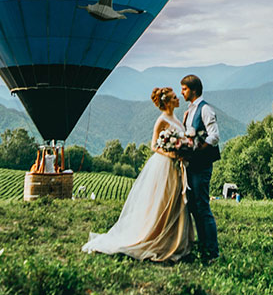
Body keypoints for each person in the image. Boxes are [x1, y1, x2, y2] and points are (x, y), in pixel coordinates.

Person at [82, 87, 193, 262]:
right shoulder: (161, 120)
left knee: (174, 201)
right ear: (167, 102)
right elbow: (154, 146)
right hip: (164, 165)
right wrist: (170, 152)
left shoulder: (176, 118)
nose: (178, 98)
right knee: (162, 201)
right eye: (174, 97)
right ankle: (155, 237)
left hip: (176, 167)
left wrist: (183, 148)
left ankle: (173, 239)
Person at [181, 74, 220, 263]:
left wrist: (197, 151)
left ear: (193, 90)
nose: (182, 92)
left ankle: (212, 251)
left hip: (201, 166)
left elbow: (214, 136)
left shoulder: (205, 110)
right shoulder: (189, 111)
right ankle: (203, 245)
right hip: (190, 166)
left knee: (203, 206)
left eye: (184, 89)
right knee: (194, 206)